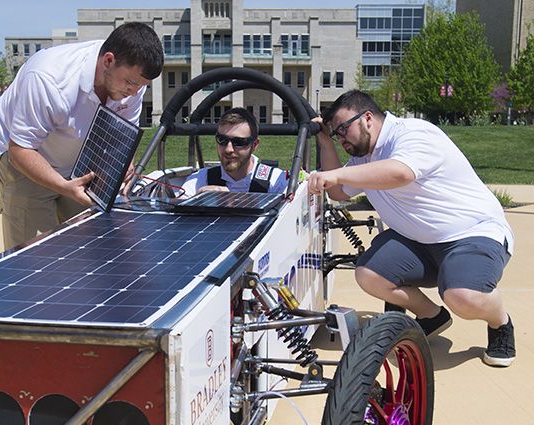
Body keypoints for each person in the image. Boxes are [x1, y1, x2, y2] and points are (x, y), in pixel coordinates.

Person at [308, 90, 515, 367]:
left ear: (367, 118)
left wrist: (337, 173)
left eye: (344, 129)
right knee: (369, 275)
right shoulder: (363, 156)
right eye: (337, 133)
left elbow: (400, 173)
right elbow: (337, 193)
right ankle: (432, 316)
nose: (342, 137)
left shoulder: (413, 134)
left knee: (462, 296)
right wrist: (325, 142)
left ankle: (500, 322)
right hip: (419, 242)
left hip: (472, 234)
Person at [0, 23, 163, 249]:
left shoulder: (132, 84)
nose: (135, 92)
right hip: (24, 157)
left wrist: (124, 164)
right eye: (130, 83)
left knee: (89, 241)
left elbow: (122, 134)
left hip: (77, 157)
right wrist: (64, 186)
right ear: (108, 61)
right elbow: (20, 150)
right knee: (34, 255)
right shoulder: (48, 78)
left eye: (142, 86)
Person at [181, 107, 288, 197]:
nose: (229, 149)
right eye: (222, 140)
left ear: (254, 145)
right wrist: (197, 201)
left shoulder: (277, 182)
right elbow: (176, 213)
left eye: (239, 142)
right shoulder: (199, 180)